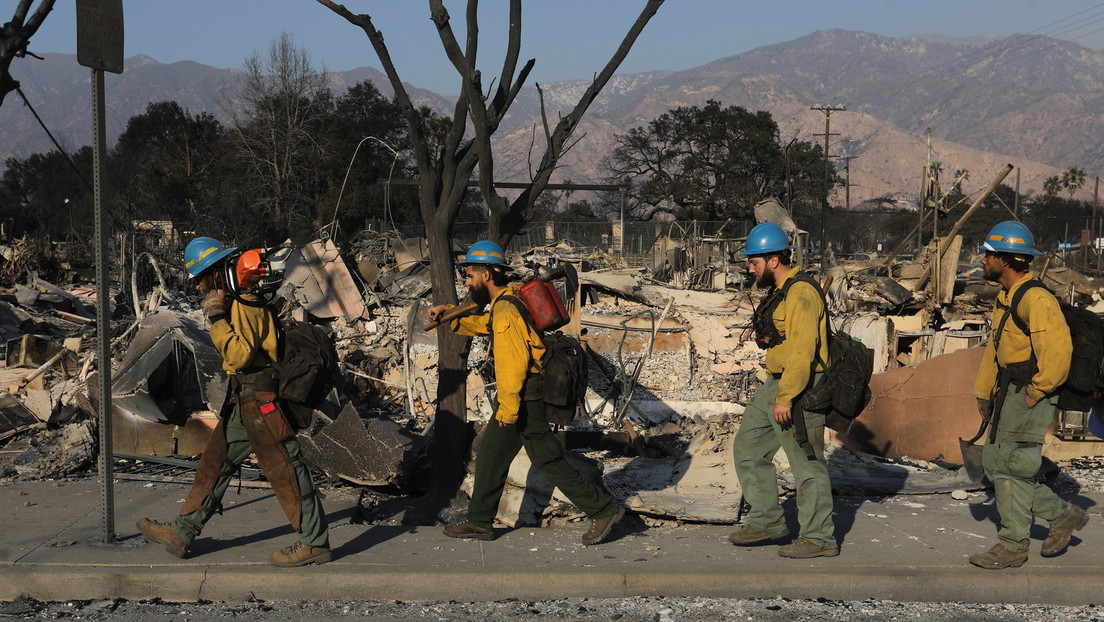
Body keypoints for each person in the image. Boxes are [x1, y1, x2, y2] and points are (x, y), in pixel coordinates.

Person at [136, 236, 331, 567]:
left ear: (215, 273)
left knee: (286, 466)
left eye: (199, 278)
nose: (197, 287)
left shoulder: (244, 304)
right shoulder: (237, 301)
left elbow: (240, 355)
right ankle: (183, 531)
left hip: (261, 397)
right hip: (244, 397)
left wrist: (216, 320)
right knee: (215, 462)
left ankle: (314, 542)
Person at [426, 240, 625, 545]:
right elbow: (483, 323)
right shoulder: (508, 300)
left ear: (487, 276)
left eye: (469, 275)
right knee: (492, 453)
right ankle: (480, 520)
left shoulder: (506, 312)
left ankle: (603, 509)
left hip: (523, 399)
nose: (466, 281)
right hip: (524, 397)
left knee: (547, 460)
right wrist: (450, 315)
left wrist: (507, 411)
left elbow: (512, 367)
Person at [970, 220, 1085, 570]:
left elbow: (1057, 354)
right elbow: (996, 349)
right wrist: (984, 392)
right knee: (996, 465)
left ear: (1005, 259)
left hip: (1028, 394)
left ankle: (1013, 545)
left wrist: (1036, 393)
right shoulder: (1007, 296)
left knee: (1015, 469)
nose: (982, 260)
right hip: (1009, 392)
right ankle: (1062, 515)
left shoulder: (1037, 299)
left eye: (988, 254)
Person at [729, 222, 838, 558]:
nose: (750, 267)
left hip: (799, 384)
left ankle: (820, 539)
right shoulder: (782, 290)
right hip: (776, 380)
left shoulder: (802, 292)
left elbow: (804, 350)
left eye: (754, 262)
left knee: (807, 463)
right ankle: (767, 521)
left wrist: (787, 397)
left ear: (773, 260)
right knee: (748, 448)